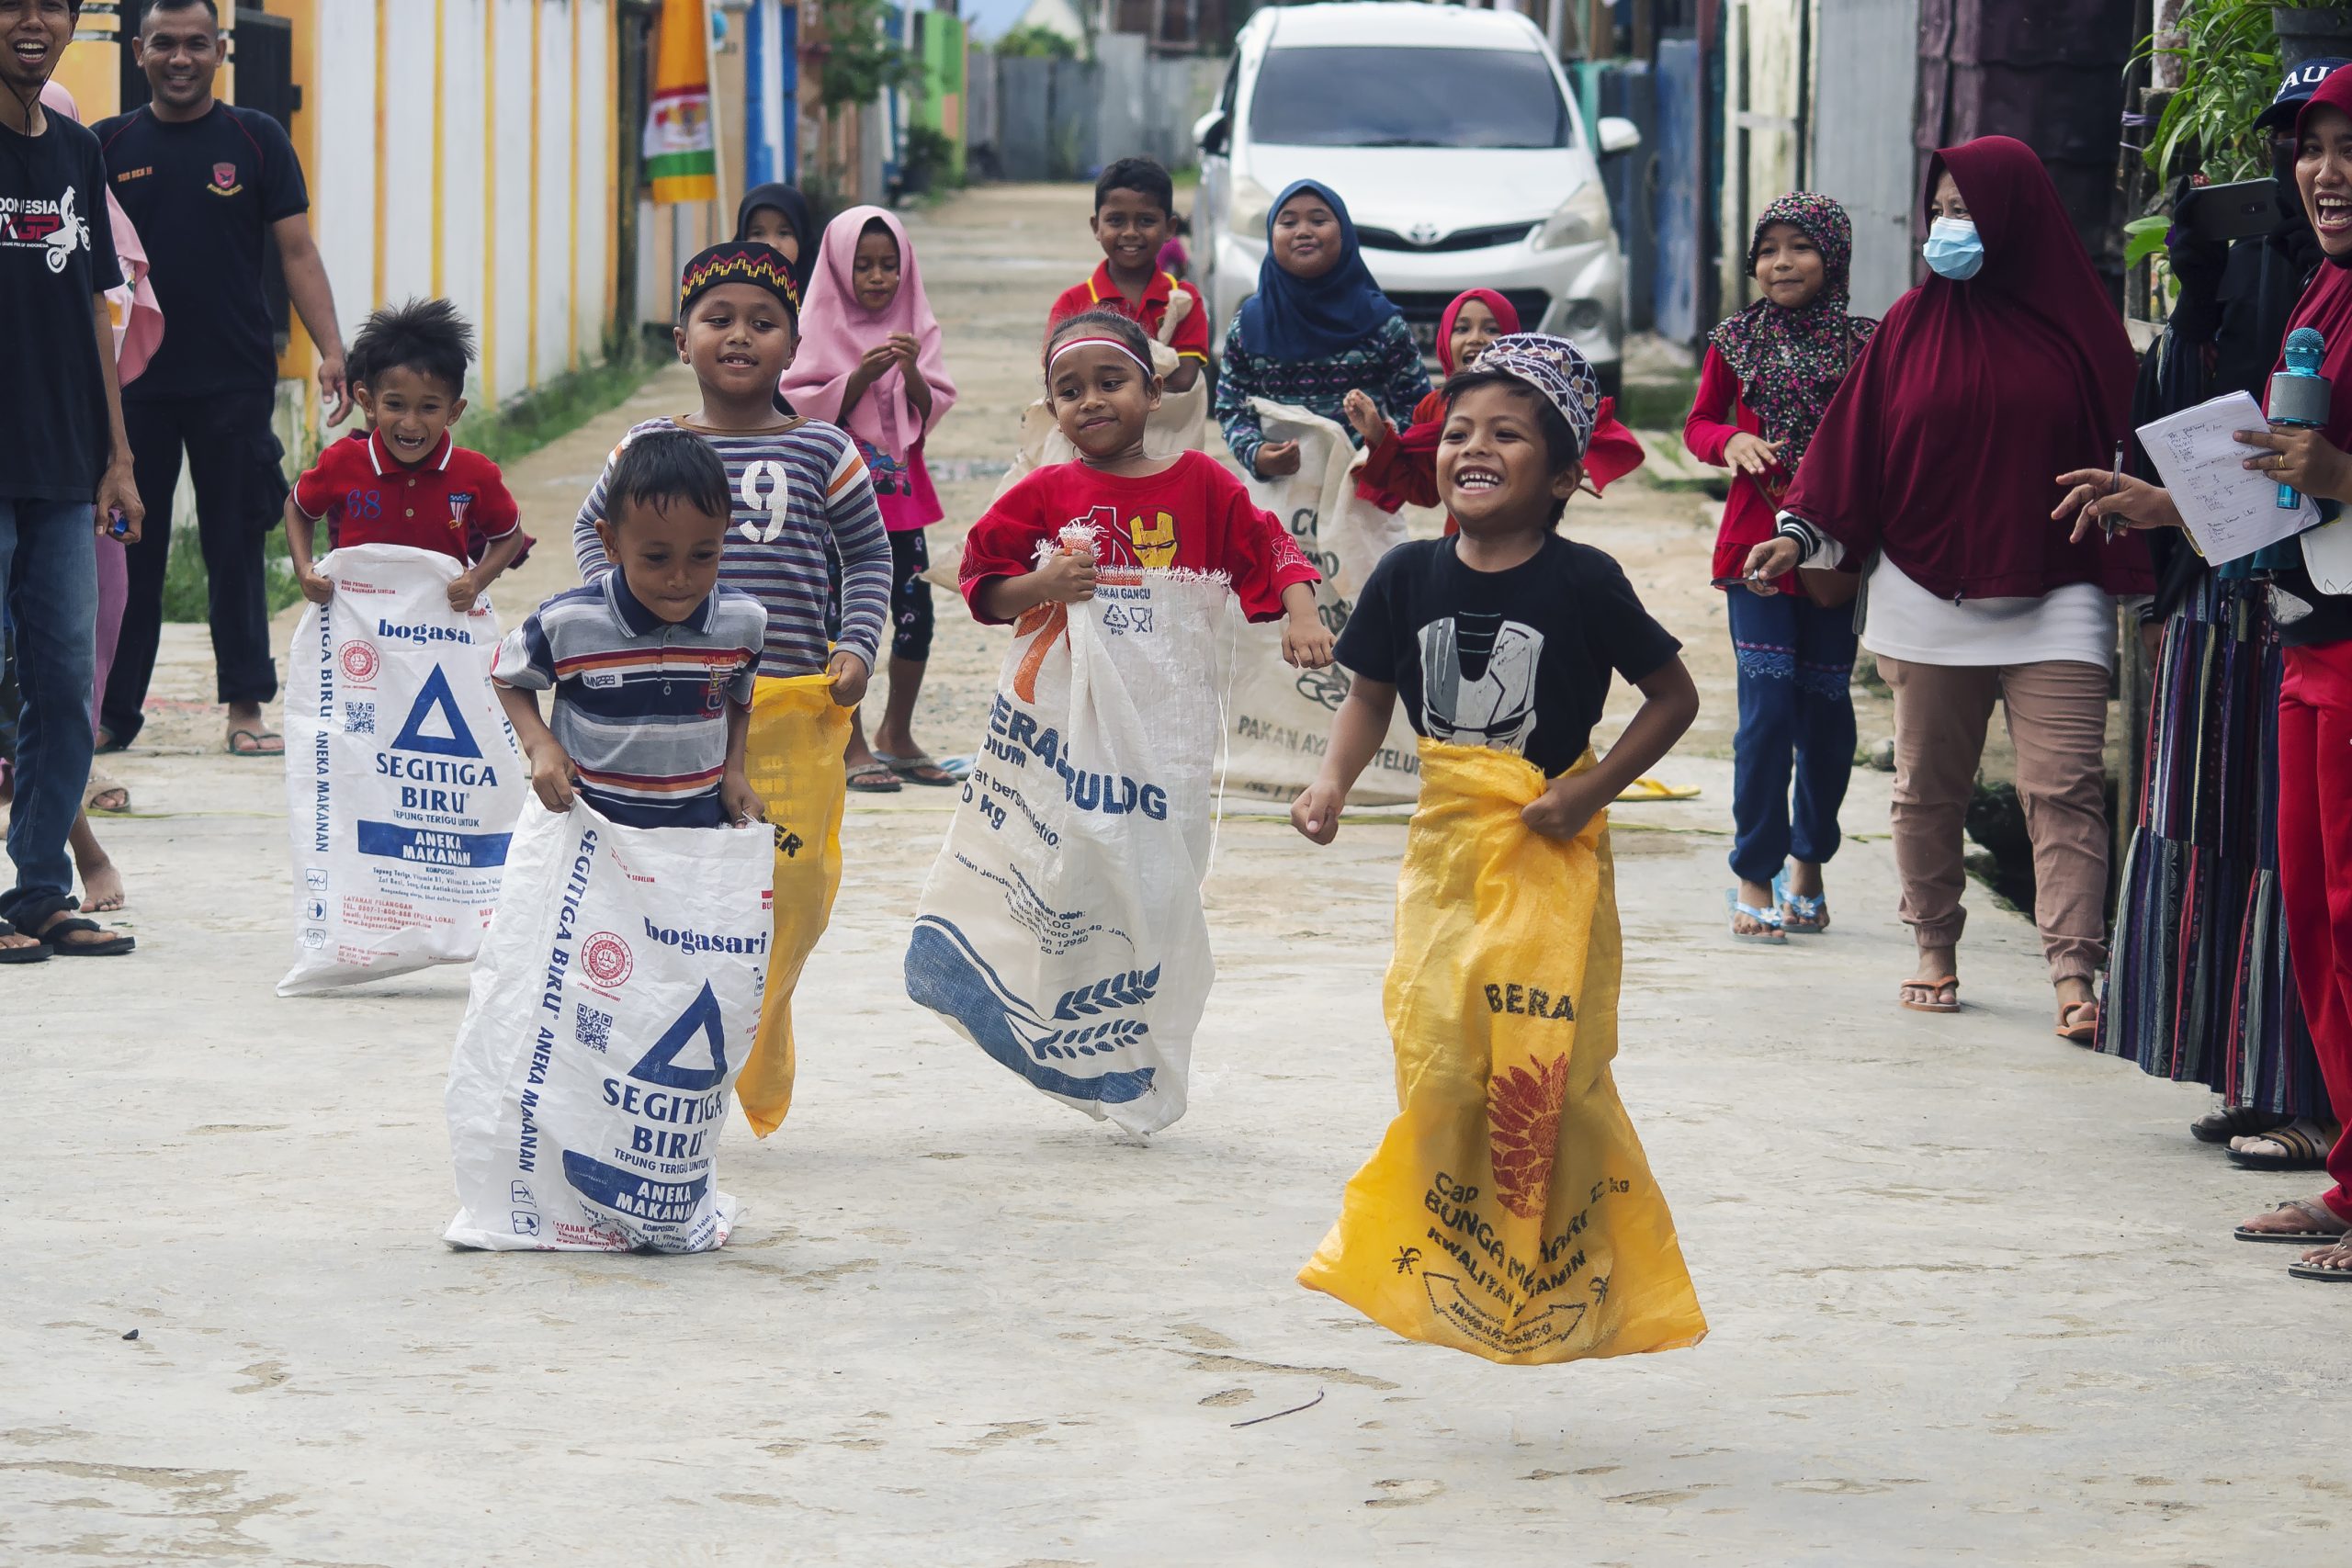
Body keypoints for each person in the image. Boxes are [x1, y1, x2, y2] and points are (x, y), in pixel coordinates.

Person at [2053, 66, 2352, 1281]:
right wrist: (2168, 505)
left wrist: (2338, 474)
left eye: (2348, 146)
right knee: (2324, 930)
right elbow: (2294, 478)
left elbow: (2328, 473)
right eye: (2312, 146)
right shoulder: (2326, 286)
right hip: (2306, 635)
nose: (2325, 170)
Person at [1747, 137, 2149, 1035]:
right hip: (1925, 590)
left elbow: (2137, 442)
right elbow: (1852, 451)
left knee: (2065, 786)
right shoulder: (1906, 327)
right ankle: (1933, 944)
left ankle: (2075, 973)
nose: (1945, 227)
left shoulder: (2081, 331)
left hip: (2058, 583)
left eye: (1964, 210)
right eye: (1938, 209)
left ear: (2013, 217)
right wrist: (1796, 534)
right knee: (1927, 788)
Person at [1291, 331, 1699, 850]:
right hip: (1444, 840)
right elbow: (1368, 700)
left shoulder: (1588, 582)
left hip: (1552, 843)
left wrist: (1589, 792)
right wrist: (1332, 781)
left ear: (1564, 477)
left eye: (1506, 435)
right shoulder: (1402, 576)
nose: (1475, 447)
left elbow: (1674, 698)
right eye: (1456, 435)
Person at [94, 0, 352, 759]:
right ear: (138, 50)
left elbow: (297, 251)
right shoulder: (106, 144)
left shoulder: (257, 138)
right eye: (165, 44)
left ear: (220, 50)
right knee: (128, 552)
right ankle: (113, 712)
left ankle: (246, 705)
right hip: (132, 387)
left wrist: (331, 346)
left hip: (235, 382)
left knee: (235, 543)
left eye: (196, 44)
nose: (181, 58)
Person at [574, 243, 887, 711]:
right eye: (719, 321)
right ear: (682, 342)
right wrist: (617, 602)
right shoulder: (644, 447)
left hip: (784, 700)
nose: (740, 335)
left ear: (792, 349)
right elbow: (590, 528)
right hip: (664, 693)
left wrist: (856, 645)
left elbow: (867, 554)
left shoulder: (825, 450)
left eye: (763, 324)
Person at [1690, 194, 1877, 943]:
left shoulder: (1867, 345)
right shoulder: (1733, 341)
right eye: (1768, 249)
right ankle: (1753, 872)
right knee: (1765, 718)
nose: (1781, 263)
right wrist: (1729, 440)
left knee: (1826, 719)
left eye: (1800, 247)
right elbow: (1699, 420)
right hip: (1752, 549)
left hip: (1834, 550)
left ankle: (1810, 862)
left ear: (1833, 257)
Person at [0, 0, 143, 961]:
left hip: (60, 466)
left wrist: (119, 456)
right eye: (13, 3)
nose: (32, 21)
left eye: (52, 4)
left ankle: (40, 890)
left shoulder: (78, 153)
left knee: (61, 687)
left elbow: (99, 306)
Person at [960, 310, 1331, 667]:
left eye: (1110, 384)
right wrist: (1043, 583)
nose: (1091, 401)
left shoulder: (1200, 481)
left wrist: (1304, 618)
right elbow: (985, 590)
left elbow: (1272, 548)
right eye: (1071, 392)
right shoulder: (1042, 491)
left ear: (1153, 392)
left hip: (1177, 703)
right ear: (1055, 413)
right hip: (1076, 710)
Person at [496, 431, 763, 829]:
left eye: (703, 555)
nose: (679, 578)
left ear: (725, 534)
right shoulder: (568, 622)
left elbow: (740, 697)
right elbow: (506, 673)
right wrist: (540, 747)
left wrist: (735, 771)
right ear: (611, 542)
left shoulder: (743, 621)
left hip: (697, 830)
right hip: (590, 831)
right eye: (656, 557)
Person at [781, 207, 958, 792]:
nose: (879, 278)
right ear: (837, 267)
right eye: (864, 266)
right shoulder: (815, 324)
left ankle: (897, 733)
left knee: (914, 616)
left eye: (890, 265)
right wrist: (856, 378)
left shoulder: (917, 325)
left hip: (899, 499)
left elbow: (932, 402)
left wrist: (908, 370)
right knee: (837, 618)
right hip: (835, 507)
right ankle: (849, 741)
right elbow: (797, 401)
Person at [284, 299, 524, 613]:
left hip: (438, 629)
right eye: (395, 405)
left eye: (429, 407)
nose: (410, 423)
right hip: (357, 629)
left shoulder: (475, 474)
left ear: (454, 411)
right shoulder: (342, 461)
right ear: (368, 403)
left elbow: (510, 536)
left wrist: (477, 580)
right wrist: (304, 568)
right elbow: (298, 507)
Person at [1352, 288, 1645, 516]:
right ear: (1444, 340)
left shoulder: (1534, 401)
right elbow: (1426, 491)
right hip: (1462, 540)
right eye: (1462, 328)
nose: (1477, 339)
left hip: (1526, 537)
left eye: (1492, 329)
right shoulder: (1434, 407)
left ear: (1513, 338)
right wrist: (1378, 434)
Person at [1211, 180, 1430, 481]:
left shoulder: (1381, 324)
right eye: (1288, 222)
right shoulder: (1250, 325)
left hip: (1361, 491)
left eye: (1318, 220)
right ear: (1271, 236)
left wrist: (1385, 453)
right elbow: (1231, 404)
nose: (1303, 231)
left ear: (1345, 233)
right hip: (1280, 491)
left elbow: (1417, 405)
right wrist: (1256, 453)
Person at [1047, 157, 1208, 394]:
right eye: (1116, 221)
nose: (1130, 232)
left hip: (1166, 430)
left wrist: (1111, 387)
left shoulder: (1184, 300)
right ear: (1096, 227)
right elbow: (1059, 376)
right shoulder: (1072, 303)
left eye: (1146, 221)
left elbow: (1185, 377)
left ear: (1170, 229)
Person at [734, 181, 819, 301]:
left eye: (784, 233)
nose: (772, 245)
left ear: (802, 237)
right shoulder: (728, 295)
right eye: (757, 233)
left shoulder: (821, 297)